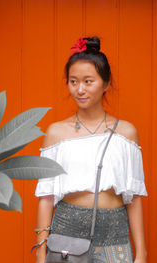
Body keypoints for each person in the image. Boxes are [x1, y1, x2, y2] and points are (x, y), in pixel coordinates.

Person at [34, 36, 148, 263]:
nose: (80, 89)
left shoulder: (126, 133)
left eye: (88, 81)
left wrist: (141, 252)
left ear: (106, 83)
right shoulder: (56, 133)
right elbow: (46, 197)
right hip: (67, 234)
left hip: (114, 237)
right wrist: (40, 251)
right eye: (73, 81)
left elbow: (133, 198)